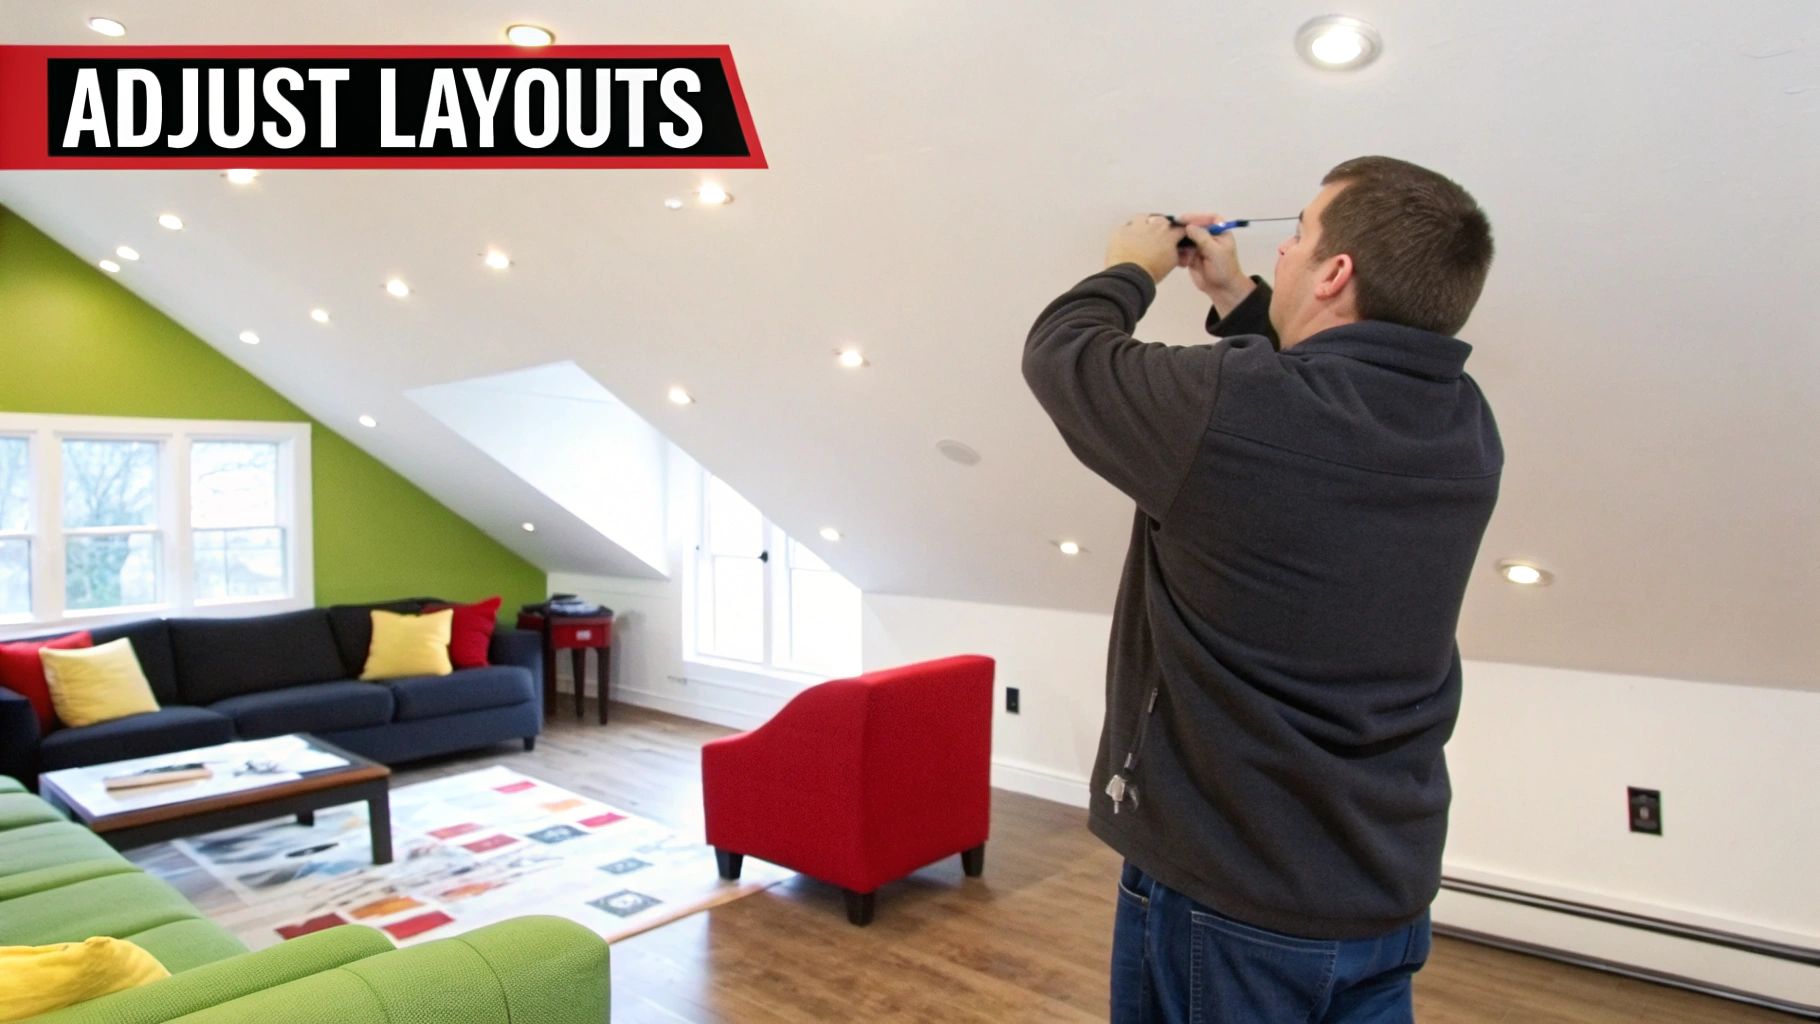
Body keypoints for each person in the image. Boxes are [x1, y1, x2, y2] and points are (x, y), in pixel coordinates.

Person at [1021, 156, 1501, 1023]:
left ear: (1336, 273)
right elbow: (1310, 398)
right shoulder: (1463, 422)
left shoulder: (1238, 410)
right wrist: (1237, 295)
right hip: (1382, 887)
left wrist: (1132, 265)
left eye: (1300, 237)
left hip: (1233, 897)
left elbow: (1063, 355)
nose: (1282, 254)